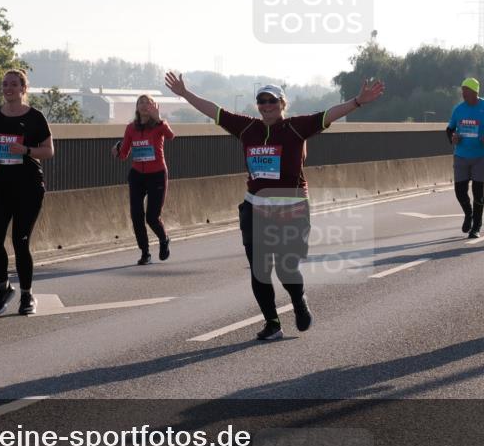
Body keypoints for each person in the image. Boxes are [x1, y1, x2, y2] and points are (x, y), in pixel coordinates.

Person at [164, 72, 385, 340]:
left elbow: (329, 114)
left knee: (285, 267)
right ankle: (272, 323)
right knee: (260, 268)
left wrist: (358, 102)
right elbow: (214, 111)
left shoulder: (295, 127)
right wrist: (186, 94)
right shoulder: (247, 127)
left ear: (282, 104)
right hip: (255, 207)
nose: (266, 106)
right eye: (262, 101)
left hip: (291, 207)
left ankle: (298, 300)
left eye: (272, 101)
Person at [0, 69, 55, 315]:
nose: (8, 88)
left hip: (28, 186)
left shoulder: (35, 117)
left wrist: (24, 150)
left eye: (14, 84)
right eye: (5, 84)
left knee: (20, 241)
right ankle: (3, 287)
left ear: (23, 89)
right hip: (0, 184)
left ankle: (27, 295)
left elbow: (48, 151)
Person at [113, 95, 175, 265]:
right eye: (141, 102)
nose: (144, 105)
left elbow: (170, 136)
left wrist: (159, 119)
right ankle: (145, 252)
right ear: (136, 107)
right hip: (137, 175)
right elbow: (124, 154)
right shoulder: (131, 128)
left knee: (152, 217)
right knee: (136, 215)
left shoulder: (159, 126)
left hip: (157, 175)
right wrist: (117, 151)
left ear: (154, 107)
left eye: (148, 102)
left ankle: (164, 240)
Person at [445, 77, 484, 238]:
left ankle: (476, 227)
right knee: (460, 191)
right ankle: (468, 214)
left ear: (475, 92)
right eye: (462, 90)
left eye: (466, 90)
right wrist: (453, 138)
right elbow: (449, 129)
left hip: (481, 156)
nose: (463, 93)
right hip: (461, 155)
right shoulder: (459, 109)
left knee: (478, 192)